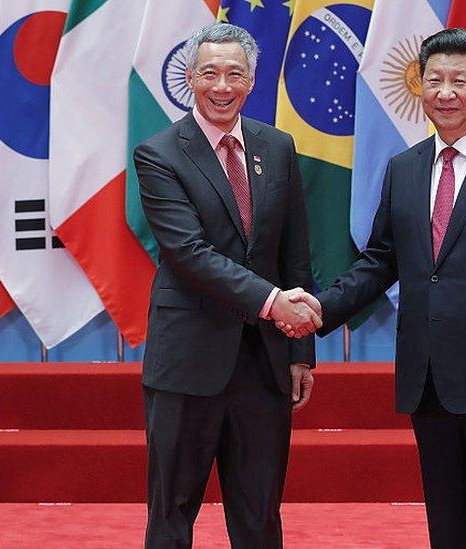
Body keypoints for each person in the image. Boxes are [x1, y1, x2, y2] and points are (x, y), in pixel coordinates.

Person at [281, 28, 466, 548]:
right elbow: (381, 261)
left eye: (460, 80)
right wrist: (318, 309)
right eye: (434, 80)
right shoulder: (405, 167)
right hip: (428, 377)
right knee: (449, 522)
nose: (445, 92)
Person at [134, 23, 320, 549]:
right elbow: (188, 253)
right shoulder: (160, 154)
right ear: (189, 78)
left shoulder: (277, 145)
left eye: (235, 73)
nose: (223, 85)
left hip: (263, 364)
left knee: (260, 514)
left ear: (253, 80)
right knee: (171, 513)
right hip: (188, 360)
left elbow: (294, 254)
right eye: (210, 73)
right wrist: (273, 303)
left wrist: (299, 349)